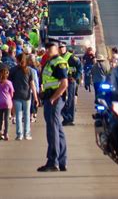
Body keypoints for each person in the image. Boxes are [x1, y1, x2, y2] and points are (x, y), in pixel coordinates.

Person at [37, 41, 68, 172]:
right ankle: (61, 161)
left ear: (57, 49)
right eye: (47, 48)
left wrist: (53, 98)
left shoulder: (58, 62)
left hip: (55, 98)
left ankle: (53, 161)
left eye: (51, 48)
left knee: (53, 130)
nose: (48, 50)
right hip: (51, 97)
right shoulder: (50, 62)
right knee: (58, 129)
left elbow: (64, 83)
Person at [10, 53, 39, 140]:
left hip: (16, 95)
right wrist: (36, 97)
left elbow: (10, 84)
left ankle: (19, 134)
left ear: (17, 60)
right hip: (27, 95)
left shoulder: (13, 70)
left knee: (18, 115)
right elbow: (32, 84)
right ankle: (27, 133)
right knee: (26, 115)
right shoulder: (29, 70)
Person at [60, 43, 82, 126]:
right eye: (60, 47)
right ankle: (66, 117)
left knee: (70, 100)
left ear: (65, 48)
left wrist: (76, 77)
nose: (61, 49)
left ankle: (69, 119)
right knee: (60, 100)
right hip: (61, 81)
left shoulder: (72, 57)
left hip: (70, 80)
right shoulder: (58, 57)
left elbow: (80, 67)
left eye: (62, 47)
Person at [0, 67, 14, 141]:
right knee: (6, 118)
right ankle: (6, 134)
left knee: (0, 118)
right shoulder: (9, 82)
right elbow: (12, 93)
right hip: (7, 102)